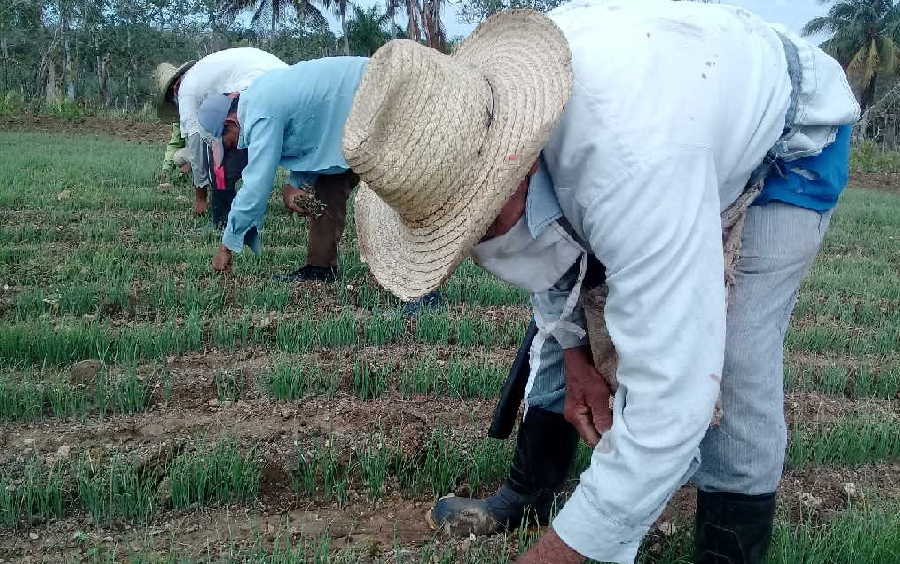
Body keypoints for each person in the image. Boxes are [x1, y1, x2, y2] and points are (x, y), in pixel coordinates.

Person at [342, 3, 859, 564]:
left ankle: (726, 551)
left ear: (515, 165)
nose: (474, 243)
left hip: (789, 142)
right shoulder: (492, 115)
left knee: (733, 364)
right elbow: (545, 261)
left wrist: (558, 556)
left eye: (475, 219)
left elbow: (674, 397)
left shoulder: (634, 163)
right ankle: (532, 492)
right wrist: (574, 354)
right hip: (674, 123)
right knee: (567, 324)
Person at [202, 57, 443, 311]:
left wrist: (226, 246)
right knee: (328, 186)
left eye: (228, 142)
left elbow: (256, 188)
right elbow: (310, 133)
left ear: (230, 122)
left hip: (381, 101)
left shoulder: (260, 113)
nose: (233, 149)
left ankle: (425, 290)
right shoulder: (259, 98)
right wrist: (296, 183)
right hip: (349, 116)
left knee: (397, 199)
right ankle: (320, 268)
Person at [155, 48, 287, 227]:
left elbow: (196, 143)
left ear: (174, 88)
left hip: (258, 87)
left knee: (221, 157)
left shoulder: (186, 89)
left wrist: (200, 198)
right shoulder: (207, 74)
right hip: (287, 82)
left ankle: (223, 219)